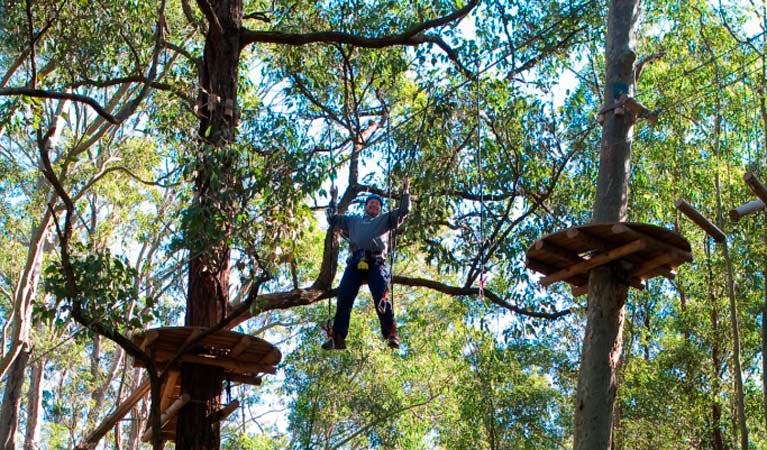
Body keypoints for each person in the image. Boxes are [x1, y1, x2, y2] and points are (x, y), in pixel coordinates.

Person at [322, 177, 411, 350]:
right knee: (344, 295)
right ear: (365, 207)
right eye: (370, 203)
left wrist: (405, 190)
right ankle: (338, 336)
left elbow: (403, 211)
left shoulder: (386, 219)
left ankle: (391, 333)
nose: (374, 205)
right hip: (355, 262)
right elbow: (332, 219)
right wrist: (333, 199)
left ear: (380, 209)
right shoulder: (353, 220)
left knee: (381, 295)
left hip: (376, 262)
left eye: (377, 204)